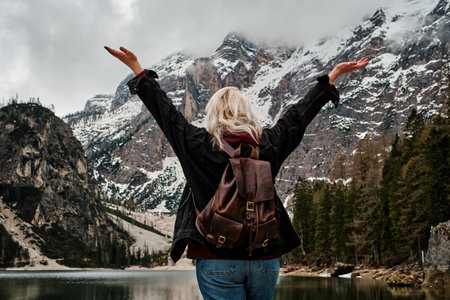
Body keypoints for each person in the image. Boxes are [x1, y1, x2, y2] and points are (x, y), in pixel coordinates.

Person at [105, 45, 368, 300]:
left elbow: (167, 115)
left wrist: (138, 70)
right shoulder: (269, 143)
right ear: (247, 112)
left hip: (216, 259)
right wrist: (331, 78)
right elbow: (297, 117)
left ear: (213, 113)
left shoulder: (197, 143)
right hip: (265, 260)